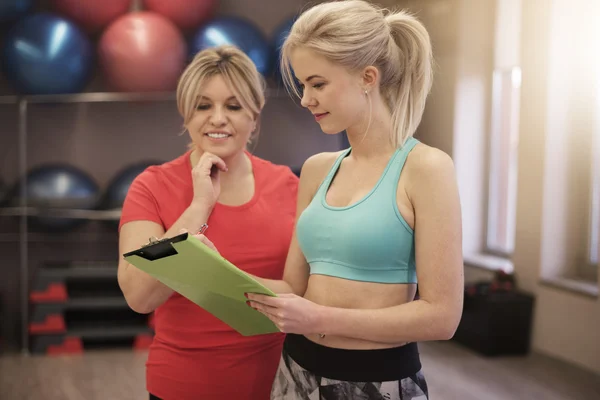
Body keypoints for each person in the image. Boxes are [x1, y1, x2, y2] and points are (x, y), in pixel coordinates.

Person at [241, 1, 464, 398]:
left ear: (368, 77)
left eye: (317, 83)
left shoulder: (427, 168)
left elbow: (442, 317)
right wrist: (210, 267)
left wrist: (320, 316)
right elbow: (294, 286)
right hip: (295, 371)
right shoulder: (316, 168)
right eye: (302, 85)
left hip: (377, 380)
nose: (306, 98)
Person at [117, 45, 299, 400]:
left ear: (255, 115)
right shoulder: (151, 186)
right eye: (203, 106)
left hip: (279, 386)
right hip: (181, 386)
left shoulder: (290, 187)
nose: (217, 118)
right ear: (186, 114)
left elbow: (305, 291)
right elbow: (138, 295)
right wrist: (199, 206)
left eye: (233, 106)